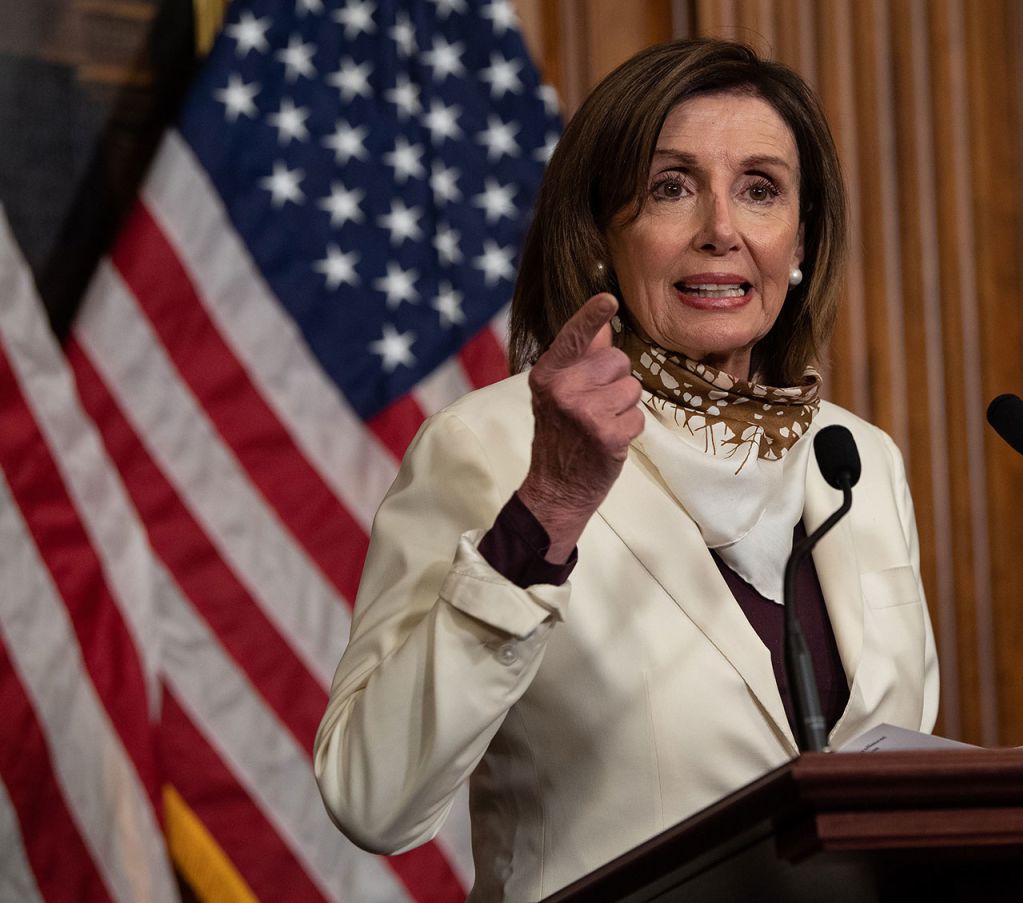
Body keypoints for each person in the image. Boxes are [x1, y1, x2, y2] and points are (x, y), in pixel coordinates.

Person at [314, 38, 939, 901]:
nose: (722, 229)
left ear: (800, 242)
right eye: (671, 188)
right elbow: (370, 796)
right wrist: (549, 506)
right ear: (604, 232)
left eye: (760, 190)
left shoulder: (859, 460)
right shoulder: (493, 446)